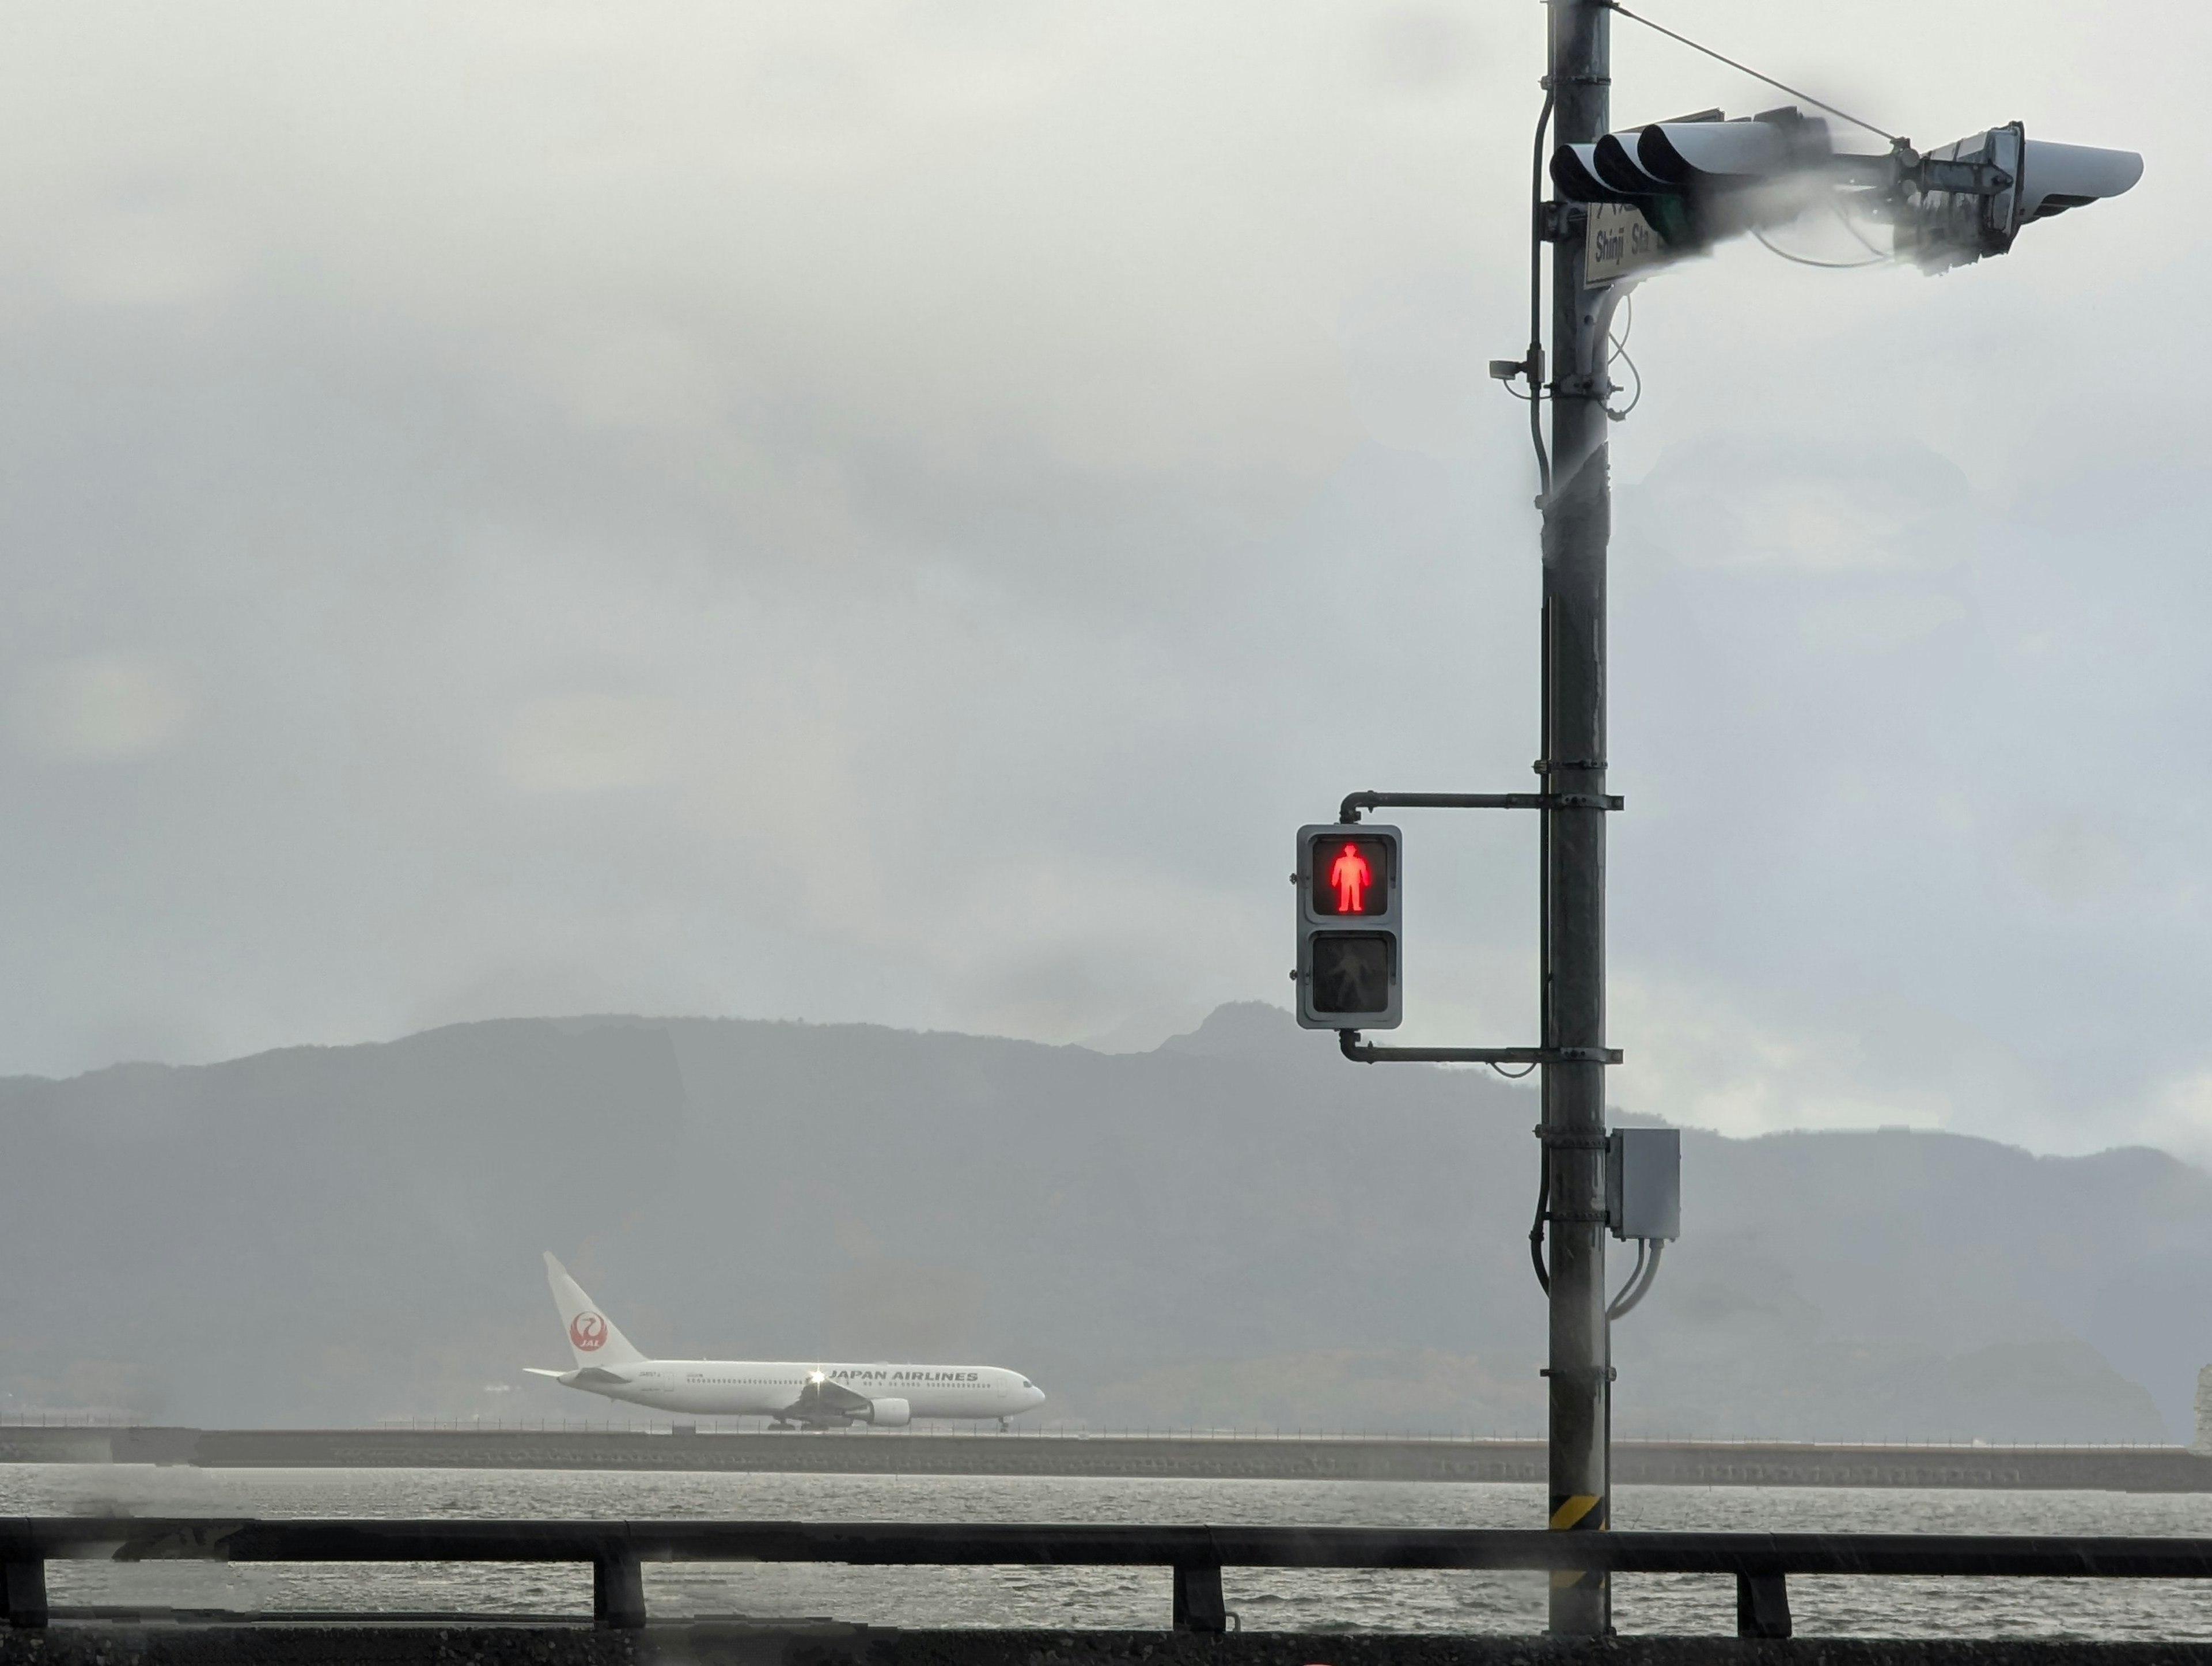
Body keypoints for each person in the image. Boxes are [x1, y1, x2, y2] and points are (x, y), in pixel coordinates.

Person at [1328, 842, 1372, 914]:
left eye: (1352, 851)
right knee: (1345, 893)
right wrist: (1334, 881)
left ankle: (1356, 906)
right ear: (1345, 851)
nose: (1350, 852)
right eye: (1348, 850)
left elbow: (1364, 872)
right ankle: (1344, 906)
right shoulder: (1340, 861)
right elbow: (1336, 872)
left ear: (1354, 851)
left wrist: (1366, 881)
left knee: (1356, 893)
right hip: (1345, 881)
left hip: (1355, 881)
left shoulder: (1359, 861)